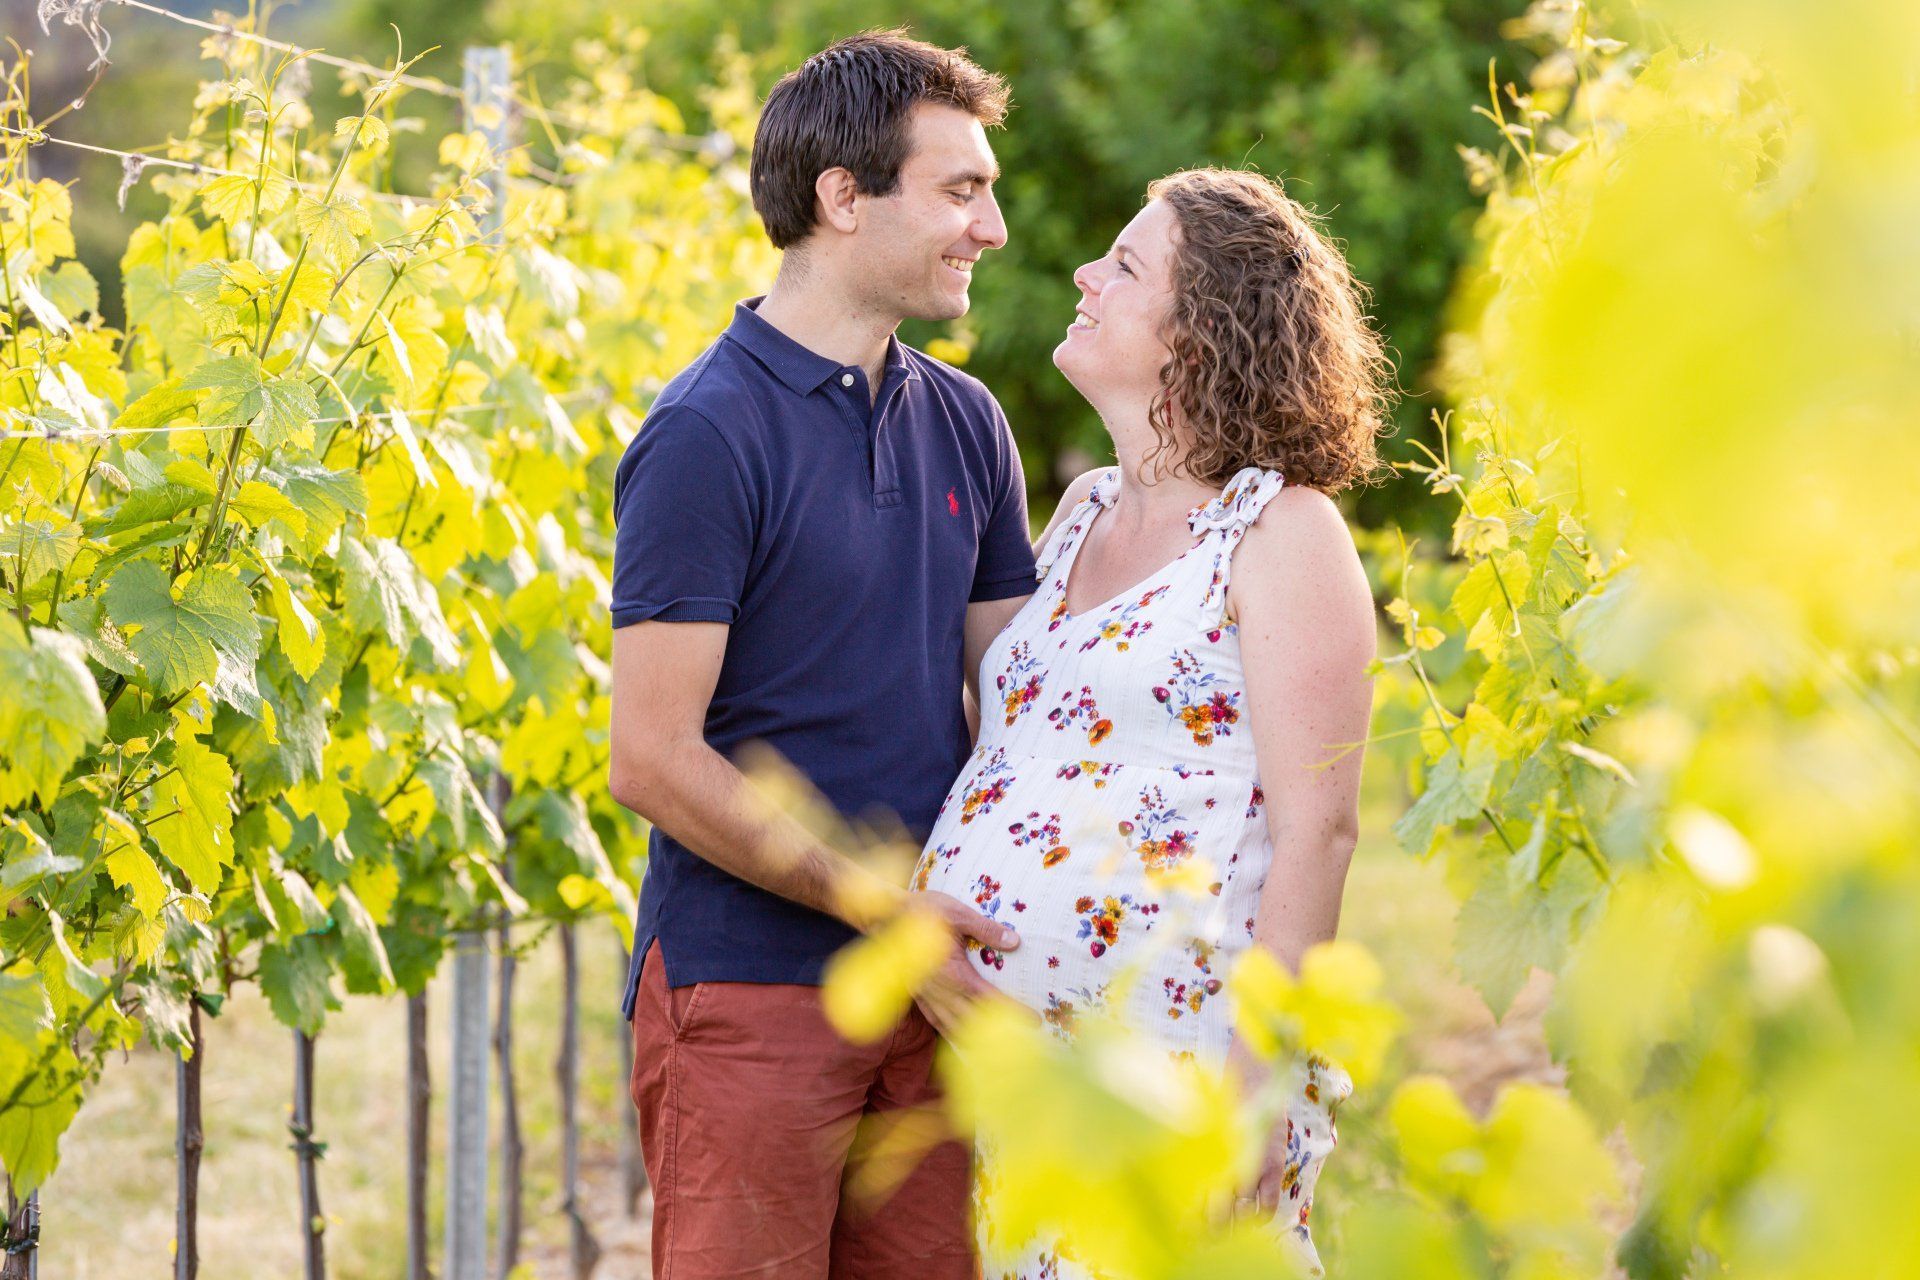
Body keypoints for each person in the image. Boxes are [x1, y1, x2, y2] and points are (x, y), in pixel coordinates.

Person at [606, 31, 1037, 1280]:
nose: (992, 227)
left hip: (932, 1002)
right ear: (843, 198)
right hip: (751, 992)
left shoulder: (969, 421)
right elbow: (652, 755)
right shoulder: (705, 434)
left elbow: (1019, 702)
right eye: (961, 189)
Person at [911, 167, 1388, 1278]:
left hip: (1176, 1074)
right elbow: (1032, 750)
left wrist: (1259, 1086)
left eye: (1124, 264)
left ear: (1202, 331)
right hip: (1027, 1079)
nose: (1083, 273)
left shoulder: (1280, 531)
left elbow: (1320, 830)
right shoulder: (1077, 515)